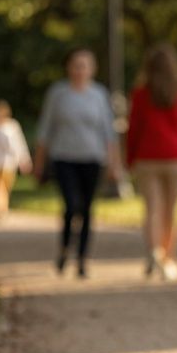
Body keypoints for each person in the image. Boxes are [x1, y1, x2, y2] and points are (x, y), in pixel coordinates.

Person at [33, 48, 121, 279]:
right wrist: (39, 163)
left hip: (92, 158)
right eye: (76, 65)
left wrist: (114, 164)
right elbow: (45, 130)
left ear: (92, 69)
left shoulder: (99, 95)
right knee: (72, 206)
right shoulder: (58, 94)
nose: (80, 70)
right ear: (69, 67)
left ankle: (82, 258)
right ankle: (64, 248)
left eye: (84, 65)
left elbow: (109, 133)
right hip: (64, 158)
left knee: (88, 209)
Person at [126, 43, 177, 281]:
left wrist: (129, 159)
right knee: (171, 211)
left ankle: (154, 252)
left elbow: (134, 130)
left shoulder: (141, 94)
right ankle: (169, 260)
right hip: (176, 158)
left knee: (152, 209)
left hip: (147, 157)